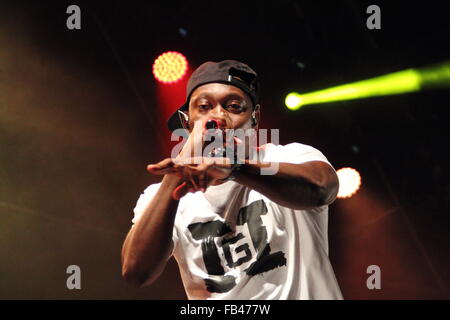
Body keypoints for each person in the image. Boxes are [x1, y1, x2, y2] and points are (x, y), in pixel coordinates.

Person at [121, 60, 343, 299]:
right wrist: (180, 169)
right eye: (204, 107)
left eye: (234, 106)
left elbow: (322, 189)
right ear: (187, 122)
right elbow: (136, 272)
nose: (218, 117)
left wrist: (235, 168)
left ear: (255, 118)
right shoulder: (159, 196)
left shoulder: (289, 156)